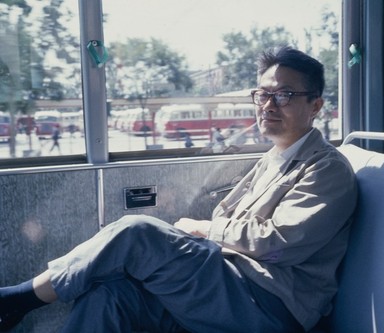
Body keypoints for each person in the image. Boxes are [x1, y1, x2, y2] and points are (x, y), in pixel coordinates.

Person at [0, 46, 357, 333]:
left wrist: (201, 230)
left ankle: (18, 299)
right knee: (110, 296)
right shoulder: (271, 159)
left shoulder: (327, 169)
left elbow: (279, 244)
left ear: (315, 106)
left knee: (138, 232)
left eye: (284, 95)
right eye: (262, 94)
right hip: (231, 285)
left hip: (269, 304)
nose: (267, 105)